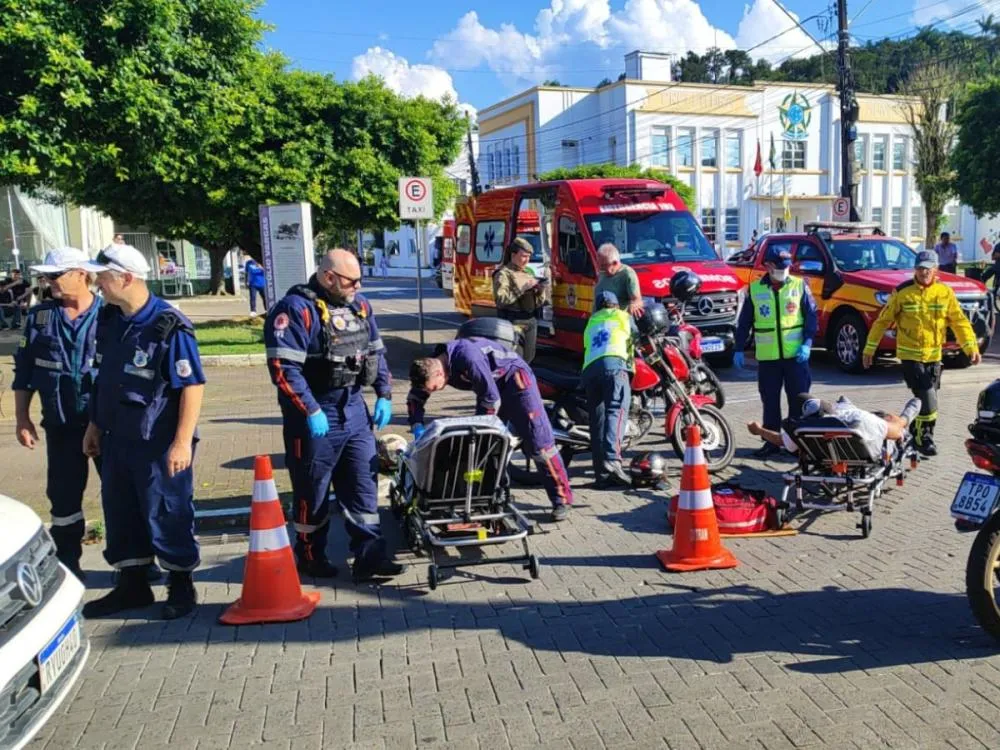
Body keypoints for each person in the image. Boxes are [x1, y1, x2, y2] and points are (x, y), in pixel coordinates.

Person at [79, 244, 205, 619]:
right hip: (117, 438)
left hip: (157, 442)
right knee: (120, 511)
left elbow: (192, 387)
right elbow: (103, 378)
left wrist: (182, 442)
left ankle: (181, 585)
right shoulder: (110, 319)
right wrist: (94, 425)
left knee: (167, 511)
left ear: (126, 278)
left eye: (102, 277)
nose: (96, 284)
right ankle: (132, 586)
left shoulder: (169, 324)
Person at [263, 249, 403, 582]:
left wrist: (384, 393)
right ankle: (311, 556)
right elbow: (284, 368)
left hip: (353, 409)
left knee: (362, 486)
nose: (358, 285)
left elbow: (376, 352)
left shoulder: (360, 305)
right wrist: (310, 409)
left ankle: (370, 556)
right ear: (328, 277)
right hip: (315, 413)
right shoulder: (295, 310)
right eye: (351, 280)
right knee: (312, 492)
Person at [407, 338, 574, 522]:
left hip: (516, 382)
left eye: (435, 388)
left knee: (540, 445)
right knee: (485, 450)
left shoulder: (468, 357)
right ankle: (482, 497)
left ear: (439, 373)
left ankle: (562, 500)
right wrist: (417, 425)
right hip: (491, 388)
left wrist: (480, 431)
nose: (435, 391)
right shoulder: (430, 364)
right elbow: (416, 397)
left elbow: (490, 399)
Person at [12, 248, 102, 579]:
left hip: (107, 426)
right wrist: (23, 418)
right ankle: (69, 562)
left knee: (123, 495)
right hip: (62, 425)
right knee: (63, 497)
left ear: (81, 274)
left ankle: (135, 563)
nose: (49, 283)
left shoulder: (109, 314)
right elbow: (24, 372)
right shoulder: (40, 318)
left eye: (56, 275)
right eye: (46, 277)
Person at [863, 249, 981, 456]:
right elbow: (882, 322)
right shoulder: (903, 292)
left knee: (927, 399)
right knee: (928, 399)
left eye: (927, 269)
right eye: (919, 268)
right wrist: (869, 350)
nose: (923, 272)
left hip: (934, 357)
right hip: (910, 357)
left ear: (935, 270)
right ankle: (923, 439)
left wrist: (971, 347)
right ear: (914, 270)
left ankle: (913, 434)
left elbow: (960, 322)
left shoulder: (945, 293)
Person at [734, 245, 818, 458]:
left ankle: (798, 445)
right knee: (770, 402)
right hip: (769, 359)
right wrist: (738, 348)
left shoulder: (800, 286)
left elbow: (811, 317)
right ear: (768, 266)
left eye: (786, 266)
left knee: (798, 401)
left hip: (796, 357)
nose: (784, 270)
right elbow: (744, 323)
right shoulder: (755, 289)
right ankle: (771, 442)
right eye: (779, 266)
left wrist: (807, 342)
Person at [747, 394, 922, 458]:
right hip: (860, 443)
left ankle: (904, 413)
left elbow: (780, 440)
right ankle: (908, 414)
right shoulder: (858, 419)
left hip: (822, 453)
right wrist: (900, 424)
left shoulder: (803, 429)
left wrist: (759, 430)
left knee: (846, 402)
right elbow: (896, 433)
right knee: (894, 421)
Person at [581, 291, 635, 488]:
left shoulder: (592, 321)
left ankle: (601, 475)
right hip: (614, 366)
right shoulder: (623, 316)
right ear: (615, 305)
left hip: (590, 371)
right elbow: (639, 334)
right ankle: (613, 459)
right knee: (617, 409)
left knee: (598, 422)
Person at [493, 237, 546, 363]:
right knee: (515, 359)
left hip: (530, 321)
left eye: (528, 257)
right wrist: (522, 289)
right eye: (523, 256)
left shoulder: (527, 272)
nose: (526, 260)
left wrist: (540, 290)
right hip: (514, 323)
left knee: (528, 359)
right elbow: (501, 300)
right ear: (513, 255)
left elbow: (537, 302)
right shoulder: (503, 274)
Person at [594, 243, 643, 317]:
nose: (601, 268)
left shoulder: (627, 274)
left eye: (604, 265)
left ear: (615, 263)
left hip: (618, 322)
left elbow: (637, 300)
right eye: (600, 265)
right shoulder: (602, 273)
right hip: (599, 320)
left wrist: (634, 305)